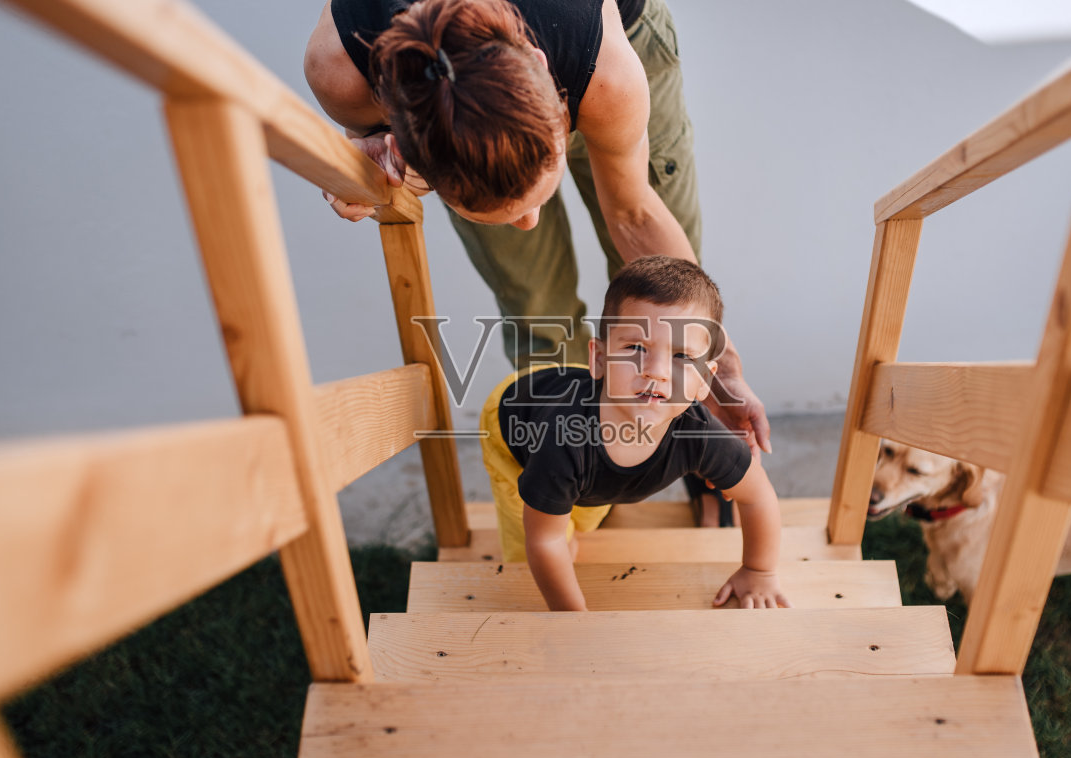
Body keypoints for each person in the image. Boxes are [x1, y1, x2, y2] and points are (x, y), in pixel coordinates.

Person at [304, 0, 770, 524]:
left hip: (604, 49)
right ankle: (584, 480)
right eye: (505, 214)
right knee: (534, 301)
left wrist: (723, 369)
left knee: (665, 299)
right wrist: (366, 156)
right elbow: (368, 136)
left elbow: (634, 214)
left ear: (545, 72)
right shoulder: (340, 69)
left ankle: (695, 455)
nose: (530, 224)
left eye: (534, 199)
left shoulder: (610, 76)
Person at [478, 256, 788, 610]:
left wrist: (759, 571)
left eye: (682, 356)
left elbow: (758, 496)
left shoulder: (697, 432)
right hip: (512, 419)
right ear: (599, 358)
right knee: (536, 543)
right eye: (636, 348)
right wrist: (572, 618)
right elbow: (544, 542)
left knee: (583, 514)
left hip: (590, 389)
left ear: (705, 380)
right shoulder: (562, 443)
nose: (656, 371)